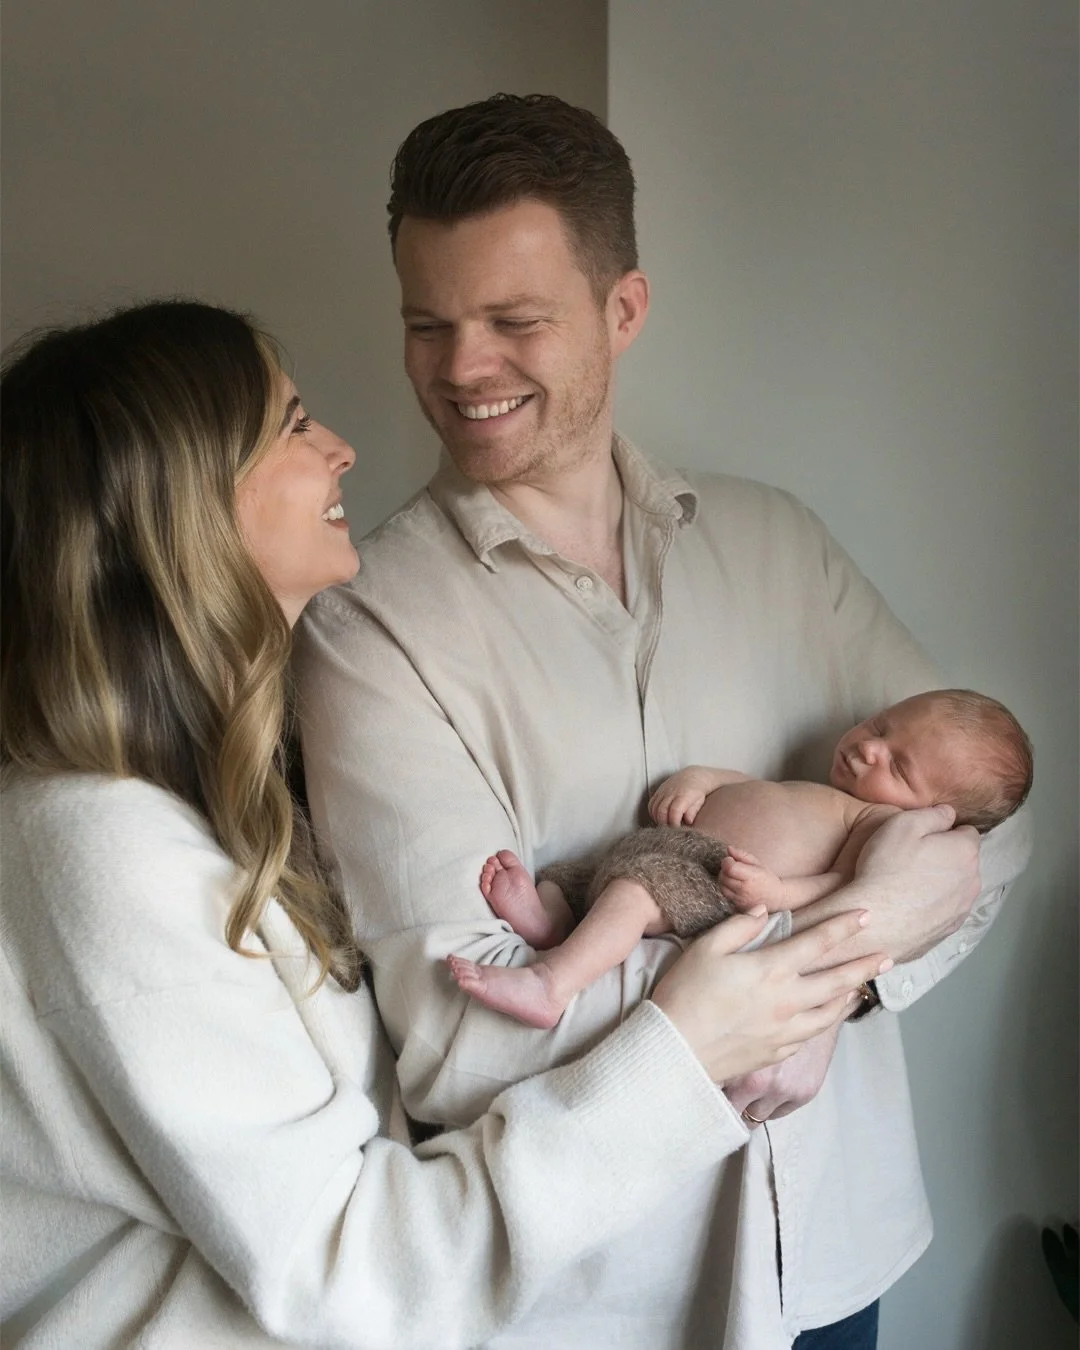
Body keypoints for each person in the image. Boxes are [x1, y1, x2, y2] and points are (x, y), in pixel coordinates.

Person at [1, 299, 909, 1349]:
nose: (343, 448)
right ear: (176, 503)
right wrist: (690, 1043)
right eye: (294, 426)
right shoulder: (99, 846)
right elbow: (349, 1272)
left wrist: (867, 929)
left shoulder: (221, 798)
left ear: (623, 311)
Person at [294, 94, 1030, 1349]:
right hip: (598, 1302)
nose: (463, 368)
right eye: (430, 324)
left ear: (622, 311)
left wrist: (847, 971)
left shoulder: (777, 544)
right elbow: (463, 1035)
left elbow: (989, 824)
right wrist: (848, 946)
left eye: (516, 321)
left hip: (838, 1253)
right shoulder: (367, 629)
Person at [448, 689, 1033, 1028]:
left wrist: (776, 895)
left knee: (631, 895)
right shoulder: (822, 793)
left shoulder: (878, 824)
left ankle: (553, 983)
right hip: (667, 850)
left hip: (719, 886)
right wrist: (699, 782)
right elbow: (750, 787)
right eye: (881, 726)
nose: (868, 748)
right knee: (577, 876)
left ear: (935, 816)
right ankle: (554, 924)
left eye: (899, 767)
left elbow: (839, 885)